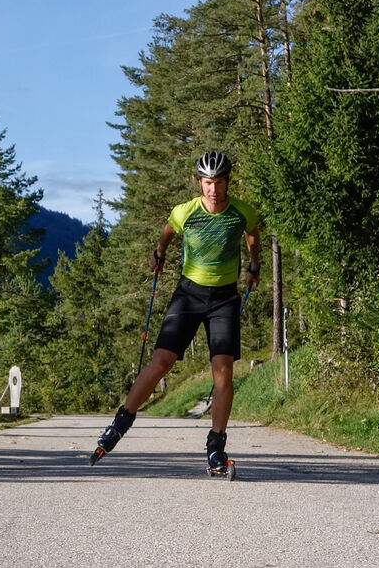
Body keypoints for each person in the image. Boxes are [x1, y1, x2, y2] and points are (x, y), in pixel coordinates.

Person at [93, 151, 261, 472]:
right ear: (200, 182)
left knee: (223, 370)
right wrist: (159, 253)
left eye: (220, 182)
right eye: (208, 183)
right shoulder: (185, 212)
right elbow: (168, 232)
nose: (214, 190)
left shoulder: (242, 213)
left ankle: (215, 447)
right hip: (188, 294)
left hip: (224, 298)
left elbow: (253, 236)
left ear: (228, 182)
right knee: (162, 361)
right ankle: (119, 423)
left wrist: (255, 264)